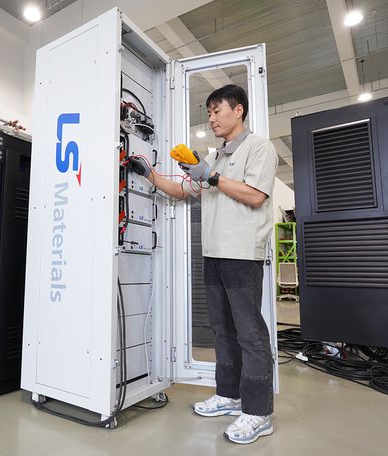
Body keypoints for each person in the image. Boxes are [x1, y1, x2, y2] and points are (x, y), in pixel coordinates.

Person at [125, 84, 278, 445]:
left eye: (217, 110)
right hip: (214, 253)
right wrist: (147, 173)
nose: (211, 119)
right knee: (222, 330)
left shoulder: (259, 148)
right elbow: (182, 192)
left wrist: (211, 176)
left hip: (242, 254)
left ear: (238, 110)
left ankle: (258, 413)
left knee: (250, 334)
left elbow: (256, 196)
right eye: (208, 113)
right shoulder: (215, 158)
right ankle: (229, 395)